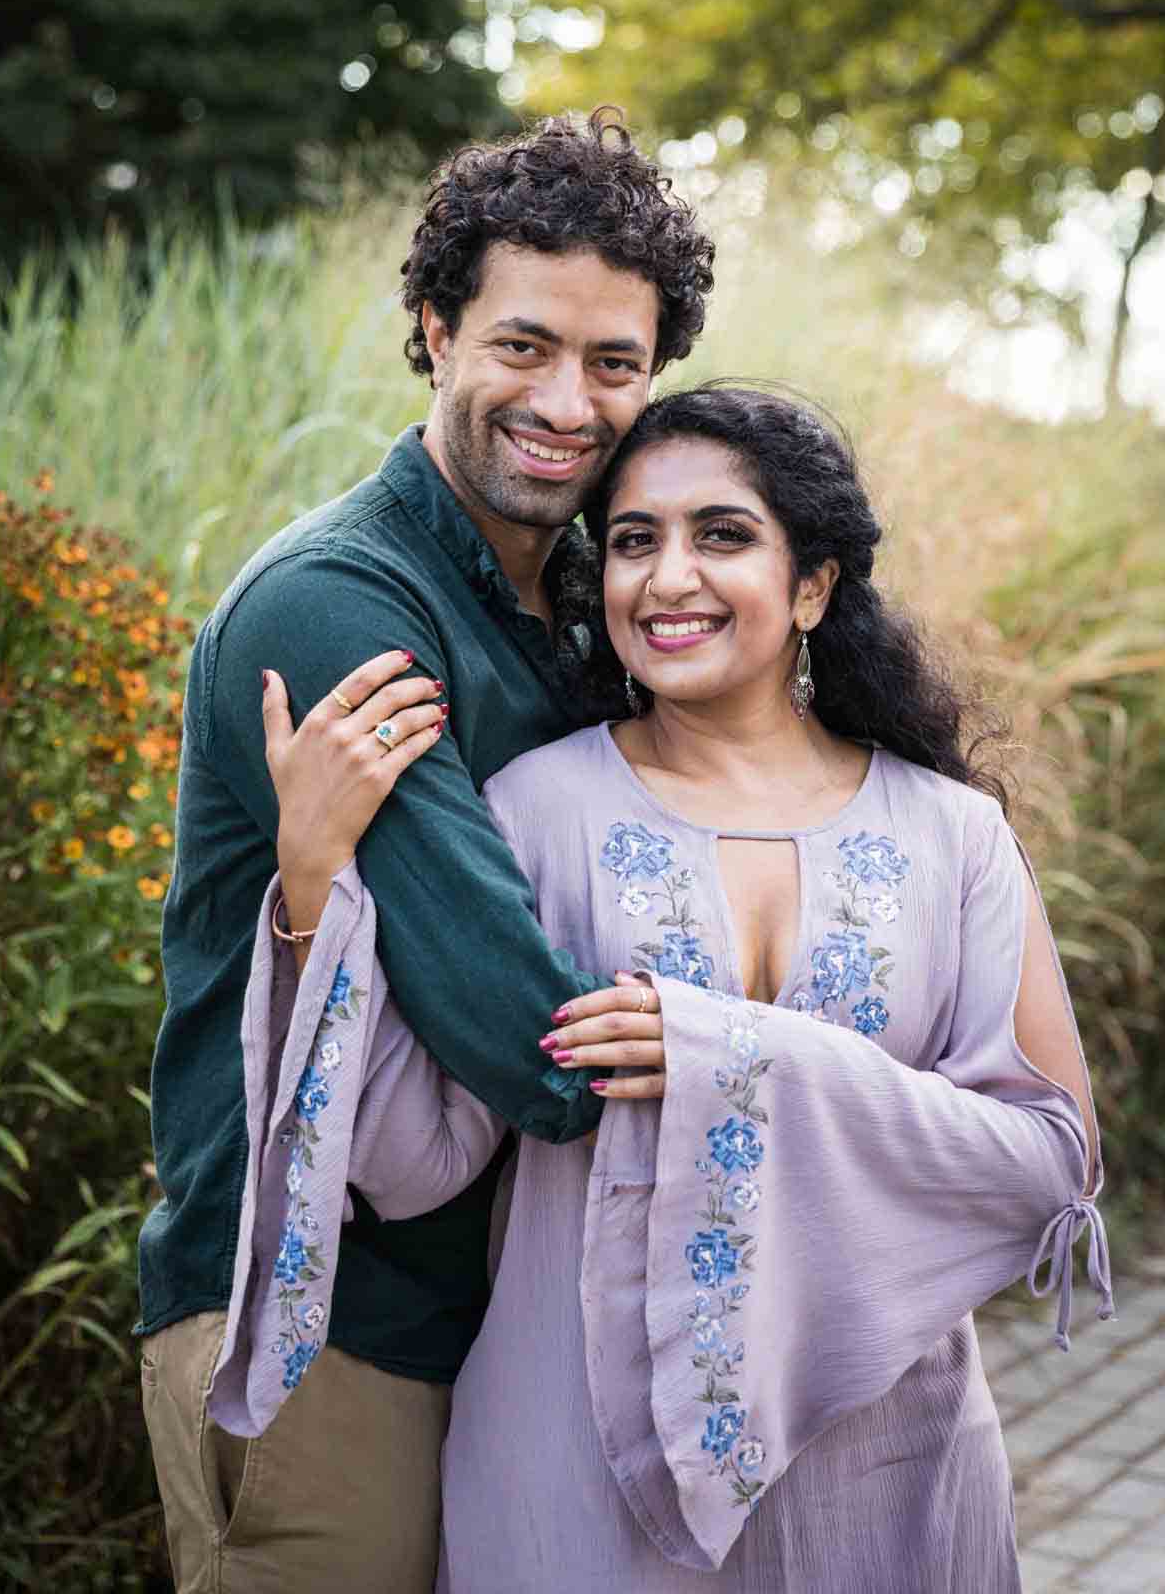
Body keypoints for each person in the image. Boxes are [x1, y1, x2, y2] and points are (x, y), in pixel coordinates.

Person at [212, 383, 1114, 1594]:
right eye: (633, 539)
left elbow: (1049, 1158)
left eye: (722, 535)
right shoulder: (531, 810)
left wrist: (740, 1056)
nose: (666, 575)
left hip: (890, 1463)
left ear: (813, 586)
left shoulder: (951, 837)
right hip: (572, 1457)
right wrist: (315, 879)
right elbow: (412, 1155)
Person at [137, 107, 716, 1592]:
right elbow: (522, 1037)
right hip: (321, 1323)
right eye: (523, 345)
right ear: (435, 329)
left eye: (613, 364)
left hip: (517, 1326)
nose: (567, 402)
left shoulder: (593, 602)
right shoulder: (339, 607)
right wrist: (794, 1073)